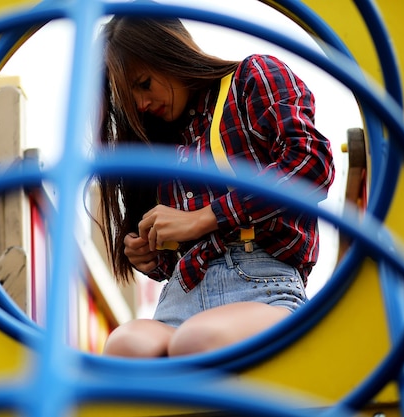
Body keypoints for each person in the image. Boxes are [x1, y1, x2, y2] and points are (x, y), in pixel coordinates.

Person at [94, 14, 334, 357]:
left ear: (171, 52)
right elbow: (175, 253)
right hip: (182, 295)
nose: (143, 104)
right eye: (131, 100)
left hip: (260, 283)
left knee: (197, 341)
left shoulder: (252, 78)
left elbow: (311, 163)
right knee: (124, 346)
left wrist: (205, 216)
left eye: (144, 83)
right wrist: (148, 252)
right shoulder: (157, 138)